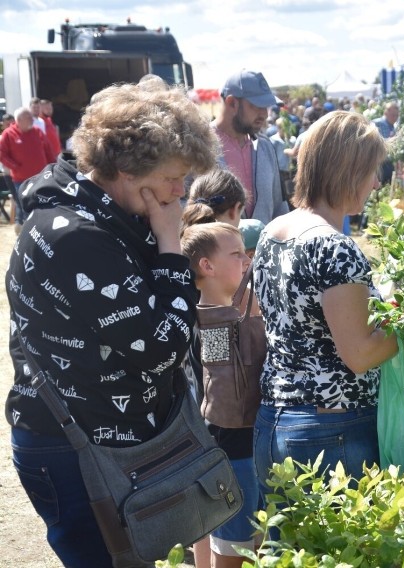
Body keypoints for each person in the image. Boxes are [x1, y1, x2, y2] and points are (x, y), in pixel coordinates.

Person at [5, 81, 219, 566]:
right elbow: (160, 347)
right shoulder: (77, 236)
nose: (180, 192)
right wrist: (170, 245)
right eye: (174, 177)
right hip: (76, 451)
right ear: (126, 169)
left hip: (110, 439)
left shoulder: (106, 214)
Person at [252, 111, 398, 498]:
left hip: (274, 424)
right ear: (348, 171)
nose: (376, 182)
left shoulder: (272, 231)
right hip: (332, 432)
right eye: (371, 170)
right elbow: (360, 355)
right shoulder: (335, 248)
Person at [181, 222, 256, 568]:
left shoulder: (218, 316)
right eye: (236, 254)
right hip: (234, 455)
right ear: (206, 266)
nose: (246, 261)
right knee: (234, 553)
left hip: (225, 454)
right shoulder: (213, 324)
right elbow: (226, 398)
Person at [213, 69, 288, 225]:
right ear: (232, 102)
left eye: (266, 107)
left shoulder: (265, 147)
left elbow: (278, 209)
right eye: (257, 106)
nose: (265, 115)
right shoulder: (199, 146)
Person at [0, 107, 55, 231]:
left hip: (41, 177)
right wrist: (15, 166)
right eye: (28, 118)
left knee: (41, 203)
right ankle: (27, 229)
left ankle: (36, 227)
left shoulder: (37, 131)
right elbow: (2, 154)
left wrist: (53, 167)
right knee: (25, 204)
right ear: (19, 120)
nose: (32, 120)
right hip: (21, 179)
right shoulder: (8, 134)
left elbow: (48, 150)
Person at [373, 102, 399, 185]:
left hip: (388, 163)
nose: (395, 118)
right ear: (386, 113)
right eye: (393, 115)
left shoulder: (392, 126)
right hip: (380, 164)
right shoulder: (378, 124)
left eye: (396, 115)